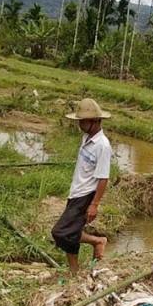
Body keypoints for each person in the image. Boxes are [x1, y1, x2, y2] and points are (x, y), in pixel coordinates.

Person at [52, 98, 112, 275]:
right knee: (71, 231)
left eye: (83, 121)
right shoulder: (87, 138)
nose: (79, 124)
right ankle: (97, 243)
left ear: (95, 121)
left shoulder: (102, 146)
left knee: (60, 232)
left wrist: (94, 204)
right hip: (76, 192)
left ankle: (75, 268)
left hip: (85, 195)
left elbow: (103, 178)